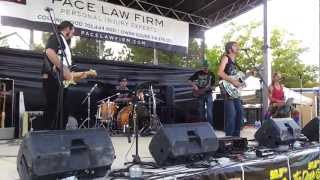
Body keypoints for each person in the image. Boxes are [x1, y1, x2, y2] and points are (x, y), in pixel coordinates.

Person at [42, 21, 76, 130]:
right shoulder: (57, 37)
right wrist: (64, 68)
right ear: (67, 29)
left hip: (61, 79)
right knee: (53, 108)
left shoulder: (64, 42)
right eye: (72, 31)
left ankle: (58, 136)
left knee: (63, 110)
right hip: (53, 78)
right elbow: (49, 52)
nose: (73, 34)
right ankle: (46, 136)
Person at [217, 41, 243, 137]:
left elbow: (237, 79)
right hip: (226, 89)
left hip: (234, 91)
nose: (238, 47)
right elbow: (220, 73)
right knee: (231, 115)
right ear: (229, 49)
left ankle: (237, 139)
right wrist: (233, 82)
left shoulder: (236, 63)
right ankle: (228, 140)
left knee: (239, 114)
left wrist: (241, 83)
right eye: (235, 46)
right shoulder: (225, 58)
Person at [189, 60, 215, 125]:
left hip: (208, 94)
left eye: (207, 67)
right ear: (203, 67)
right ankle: (202, 125)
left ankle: (210, 126)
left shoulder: (211, 74)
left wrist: (212, 87)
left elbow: (212, 85)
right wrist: (194, 86)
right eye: (205, 67)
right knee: (201, 111)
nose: (206, 68)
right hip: (199, 94)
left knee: (209, 111)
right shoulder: (198, 73)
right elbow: (189, 80)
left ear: (209, 67)